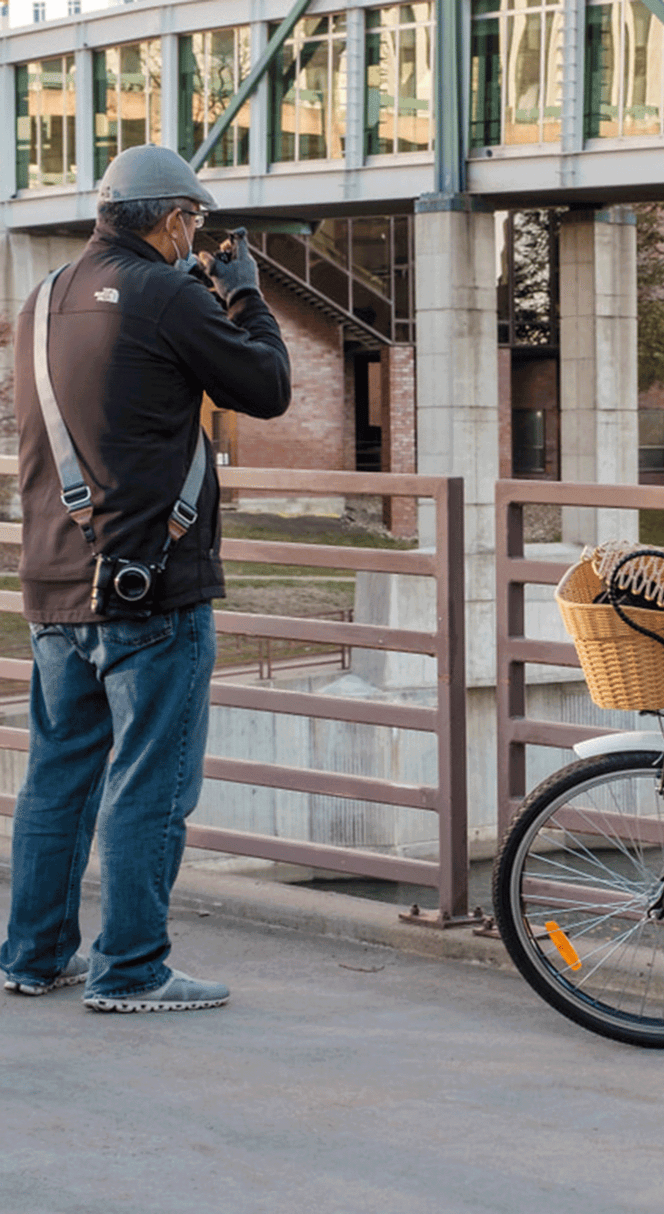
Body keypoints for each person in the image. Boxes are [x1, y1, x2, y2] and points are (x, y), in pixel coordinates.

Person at [0, 145, 291, 1012]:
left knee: (58, 779)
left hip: (56, 576)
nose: (197, 235)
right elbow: (268, 386)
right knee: (150, 782)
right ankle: (132, 971)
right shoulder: (167, 292)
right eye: (195, 222)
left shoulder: (40, 298)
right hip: (150, 588)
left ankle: (34, 956)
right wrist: (242, 290)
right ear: (172, 219)